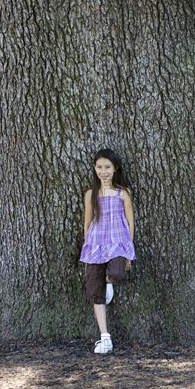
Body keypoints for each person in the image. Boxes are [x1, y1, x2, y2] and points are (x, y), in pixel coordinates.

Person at [80, 148, 136, 354]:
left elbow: (130, 222)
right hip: (95, 244)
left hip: (117, 243)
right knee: (96, 293)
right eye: (99, 167)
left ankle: (109, 283)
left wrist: (129, 251)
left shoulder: (123, 193)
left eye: (107, 167)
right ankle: (105, 337)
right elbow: (87, 223)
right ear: (95, 169)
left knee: (117, 273)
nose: (103, 171)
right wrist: (87, 248)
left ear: (115, 169)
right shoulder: (90, 194)